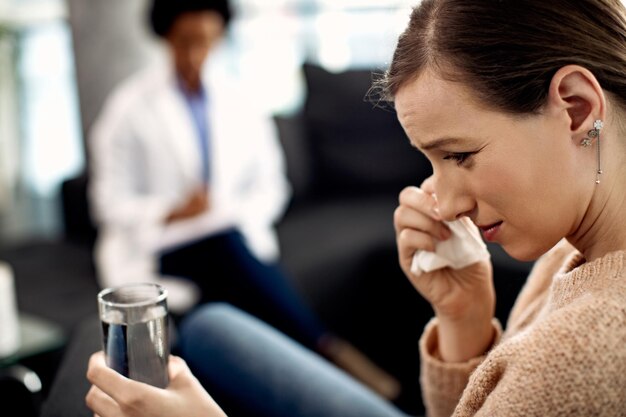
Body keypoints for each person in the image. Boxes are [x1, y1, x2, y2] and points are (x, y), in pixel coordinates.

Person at [85, 0, 626, 416]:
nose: (443, 201)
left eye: (460, 154)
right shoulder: (571, 251)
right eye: (433, 162)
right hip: (164, 240)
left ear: (576, 108)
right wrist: (464, 319)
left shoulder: (579, 353)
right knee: (212, 329)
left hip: (222, 230)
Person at [87, 0, 399, 401]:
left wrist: (232, 215)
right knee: (227, 250)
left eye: (207, 42)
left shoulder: (239, 99)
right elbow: (107, 203)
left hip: (226, 235)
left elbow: (271, 185)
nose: (197, 54)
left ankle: (316, 363)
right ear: (165, 38)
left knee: (226, 248)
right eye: (186, 42)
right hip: (158, 244)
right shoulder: (128, 108)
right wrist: (172, 211)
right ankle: (330, 350)